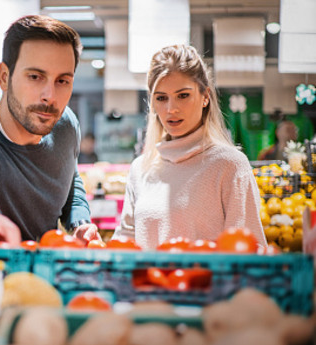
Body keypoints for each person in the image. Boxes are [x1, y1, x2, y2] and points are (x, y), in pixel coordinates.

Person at [0, 15, 100, 246]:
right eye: (35, 77)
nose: (50, 96)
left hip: (45, 277)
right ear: (5, 77)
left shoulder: (65, 124)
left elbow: (69, 178)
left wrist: (79, 222)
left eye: (62, 81)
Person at [112, 44, 266, 250]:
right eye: (161, 98)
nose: (171, 109)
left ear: (205, 97)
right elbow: (125, 244)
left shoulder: (229, 165)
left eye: (183, 95)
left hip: (207, 282)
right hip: (149, 282)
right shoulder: (141, 169)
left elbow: (248, 249)